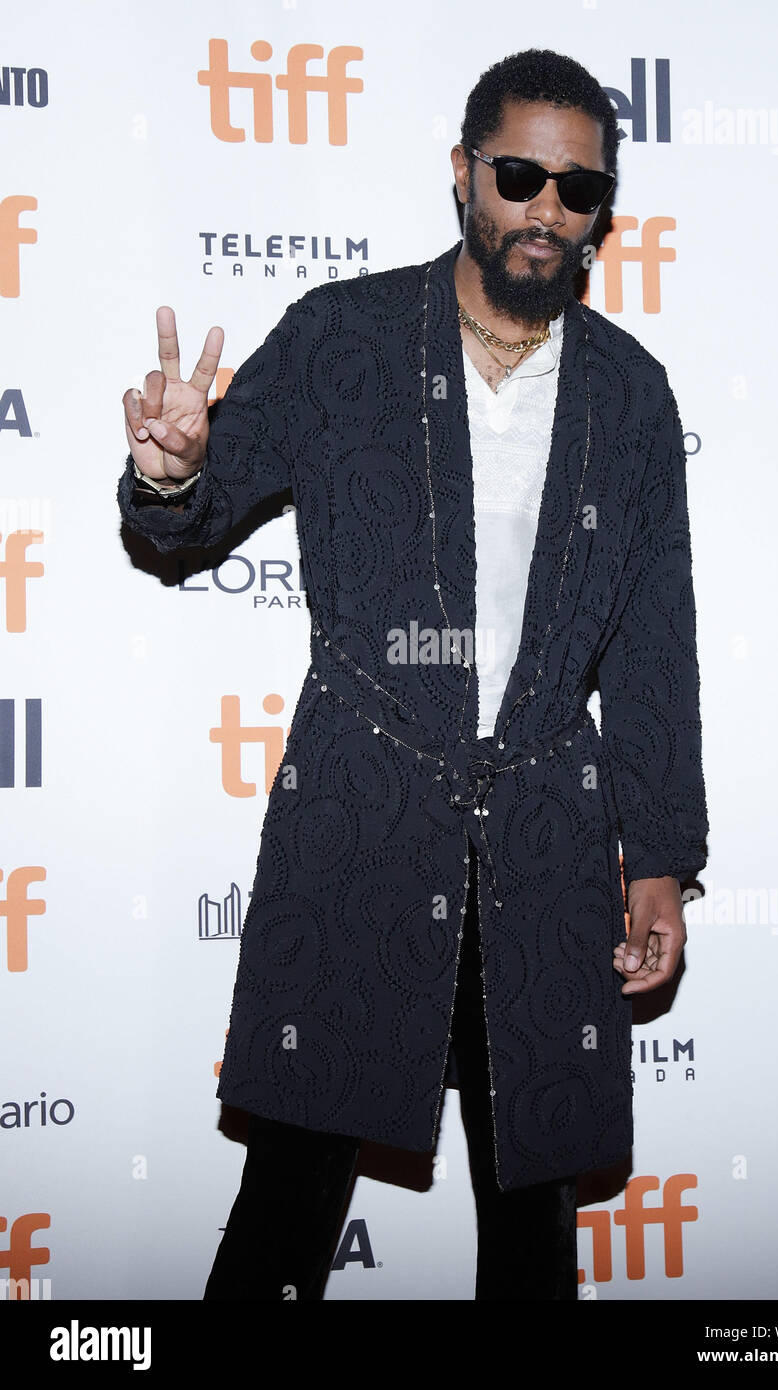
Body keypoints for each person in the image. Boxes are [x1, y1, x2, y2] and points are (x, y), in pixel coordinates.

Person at [117, 48, 710, 1301]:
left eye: (579, 188)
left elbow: (656, 638)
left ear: (603, 209)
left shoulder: (634, 400)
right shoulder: (341, 339)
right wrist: (173, 471)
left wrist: (657, 859)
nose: (547, 208)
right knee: (286, 1204)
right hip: (363, 817)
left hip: (546, 841)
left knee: (533, 1226)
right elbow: (190, 516)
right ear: (463, 175)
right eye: (519, 175)